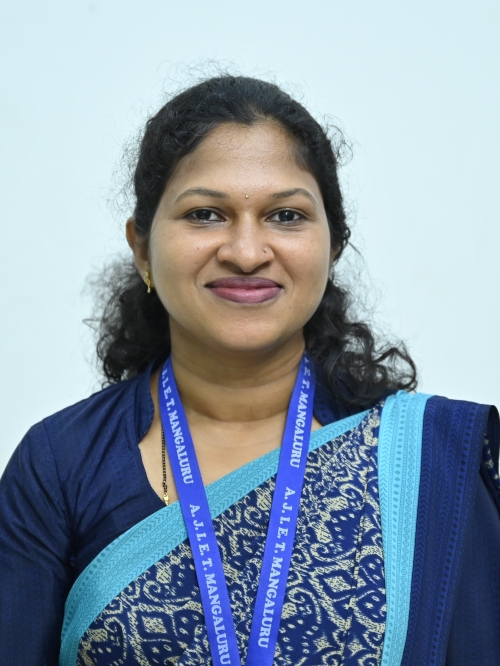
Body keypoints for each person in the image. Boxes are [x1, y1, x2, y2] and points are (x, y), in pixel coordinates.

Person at [0, 75, 499, 666]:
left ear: (333, 245)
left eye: (285, 215)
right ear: (142, 247)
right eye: (205, 214)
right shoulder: (62, 464)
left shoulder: (428, 461)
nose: (245, 251)